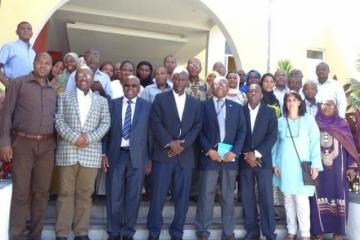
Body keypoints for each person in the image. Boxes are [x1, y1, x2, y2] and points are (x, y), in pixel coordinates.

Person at [0, 52, 57, 240]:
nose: (43, 66)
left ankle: (35, 235)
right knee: (21, 193)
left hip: (47, 146)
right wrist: (5, 143)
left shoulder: (53, 90)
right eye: (40, 62)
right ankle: (17, 236)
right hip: (22, 144)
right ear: (34, 64)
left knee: (41, 193)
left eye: (47, 63)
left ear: (51, 67)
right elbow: (7, 114)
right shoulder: (18, 83)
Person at [54, 64, 110, 240]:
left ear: (93, 79)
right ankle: (62, 232)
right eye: (80, 75)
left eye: (88, 75)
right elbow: (58, 121)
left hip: (91, 153)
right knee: (65, 193)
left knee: (85, 194)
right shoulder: (63, 97)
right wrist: (74, 137)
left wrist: (88, 139)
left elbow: (105, 123)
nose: (84, 78)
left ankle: (81, 232)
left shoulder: (102, 101)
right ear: (75, 78)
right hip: (68, 151)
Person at [147, 67, 202, 240]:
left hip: (185, 158)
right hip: (163, 156)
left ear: (187, 81)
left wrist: (181, 146)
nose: (180, 82)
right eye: (177, 79)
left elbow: (197, 126)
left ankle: (177, 232)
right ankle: (154, 232)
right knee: (158, 196)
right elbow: (155, 123)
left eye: (183, 79)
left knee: (182, 198)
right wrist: (170, 144)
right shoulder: (160, 98)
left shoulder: (195, 103)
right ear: (172, 79)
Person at [195, 76, 246, 240]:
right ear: (211, 86)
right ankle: (203, 230)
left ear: (228, 87)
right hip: (210, 158)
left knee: (228, 196)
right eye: (217, 84)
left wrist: (235, 152)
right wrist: (209, 150)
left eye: (224, 83)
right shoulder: (203, 106)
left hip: (230, 159)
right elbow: (199, 131)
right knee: (205, 195)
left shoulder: (237, 107)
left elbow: (242, 132)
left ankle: (228, 231)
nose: (220, 86)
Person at [102, 75, 152, 240]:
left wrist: (149, 159)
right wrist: (104, 154)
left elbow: (150, 135)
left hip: (138, 158)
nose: (130, 88)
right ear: (123, 87)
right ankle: (114, 232)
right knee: (114, 195)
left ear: (139, 89)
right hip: (116, 155)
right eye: (127, 85)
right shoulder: (113, 104)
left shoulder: (147, 106)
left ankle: (128, 231)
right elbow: (106, 133)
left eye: (134, 86)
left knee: (133, 196)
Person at [272, 91, 323, 240]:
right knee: (288, 199)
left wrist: (315, 165)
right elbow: (275, 144)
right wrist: (274, 163)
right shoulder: (280, 121)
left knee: (301, 201)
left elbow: (315, 143)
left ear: (300, 102)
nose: (291, 103)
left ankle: (305, 234)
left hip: (303, 167)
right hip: (285, 166)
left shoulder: (308, 120)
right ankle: (291, 231)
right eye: (288, 100)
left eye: (294, 100)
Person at [310, 98, 359, 240]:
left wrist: (351, 167)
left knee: (340, 197)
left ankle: (338, 233)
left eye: (330, 104)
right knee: (316, 199)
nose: (327, 107)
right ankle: (317, 232)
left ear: (336, 107)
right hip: (318, 171)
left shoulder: (342, 124)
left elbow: (350, 148)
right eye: (324, 104)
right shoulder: (313, 123)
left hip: (339, 172)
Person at [240, 84, 278, 240]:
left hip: (263, 161)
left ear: (261, 95)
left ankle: (269, 233)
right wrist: (247, 154)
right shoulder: (240, 111)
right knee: (247, 197)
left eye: (256, 91)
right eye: (250, 91)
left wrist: (256, 154)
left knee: (266, 198)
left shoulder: (270, 112)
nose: (253, 93)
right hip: (245, 161)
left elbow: (272, 136)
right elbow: (236, 133)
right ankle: (252, 232)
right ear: (246, 95)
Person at [0, 21, 36, 87]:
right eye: (22, 28)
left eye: (29, 29)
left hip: (30, 88)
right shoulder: (9, 46)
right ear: (17, 32)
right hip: (14, 86)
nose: (26, 30)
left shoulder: (33, 52)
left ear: (32, 33)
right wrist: (8, 85)